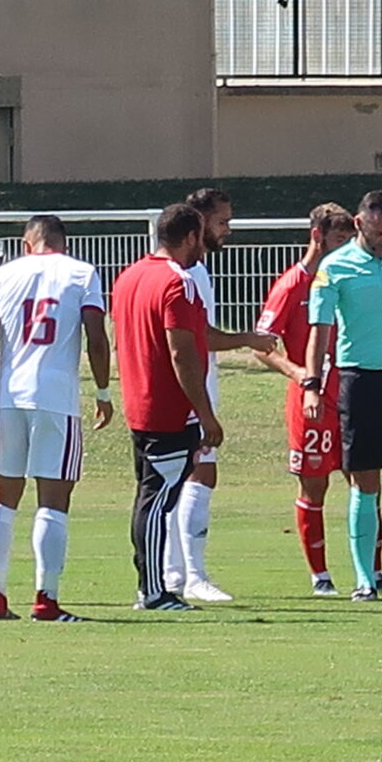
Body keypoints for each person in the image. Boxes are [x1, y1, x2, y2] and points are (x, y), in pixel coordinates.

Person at [0, 214, 111, 622]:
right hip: (57, 398)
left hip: (9, 397)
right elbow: (96, 338)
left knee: (2, 497)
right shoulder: (81, 273)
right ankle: (45, 599)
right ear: (62, 244)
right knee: (54, 499)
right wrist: (102, 391)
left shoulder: (3, 275)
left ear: (26, 243)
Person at [112, 204, 230, 610]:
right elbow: (183, 352)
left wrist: (245, 339)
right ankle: (153, 589)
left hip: (138, 402)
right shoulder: (178, 283)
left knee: (150, 495)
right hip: (168, 409)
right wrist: (206, 413)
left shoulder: (129, 276)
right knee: (158, 500)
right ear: (191, 236)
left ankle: (152, 584)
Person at [161, 186, 270, 604]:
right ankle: (193, 575)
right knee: (199, 474)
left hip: (194, 385)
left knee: (176, 480)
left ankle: (173, 573)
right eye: (222, 222)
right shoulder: (191, 274)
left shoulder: (193, 270)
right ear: (199, 223)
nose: (228, 230)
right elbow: (198, 337)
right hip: (192, 389)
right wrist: (248, 339)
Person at [304, 189, 382, 599]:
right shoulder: (335, 268)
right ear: (358, 223)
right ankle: (365, 578)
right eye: (375, 232)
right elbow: (320, 331)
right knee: (365, 483)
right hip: (360, 380)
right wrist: (312, 385)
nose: (381, 241)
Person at [253, 204, 357, 594]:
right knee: (314, 486)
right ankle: (321, 576)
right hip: (310, 401)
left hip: (350, 394)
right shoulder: (291, 286)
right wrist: (300, 374)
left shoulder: (349, 277)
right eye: (339, 241)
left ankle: (371, 575)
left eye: (350, 241)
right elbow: (262, 345)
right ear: (317, 236)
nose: (346, 248)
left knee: (363, 480)